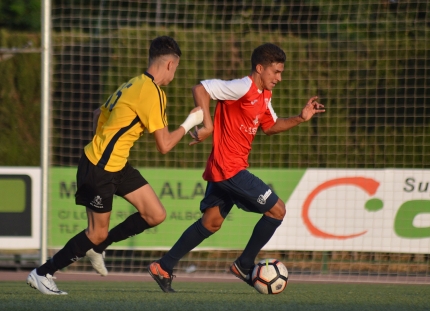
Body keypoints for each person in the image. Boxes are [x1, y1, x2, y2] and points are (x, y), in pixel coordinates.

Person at [26, 36, 204, 295]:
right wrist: (189, 123)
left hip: (114, 164)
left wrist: (102, 145)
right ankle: (43, 273)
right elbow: (164, 145)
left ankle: (98, 247)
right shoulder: (153, 92)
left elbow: (98, 114)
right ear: (169, 65)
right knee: (95, 232)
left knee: (155, 214)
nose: (174, 74)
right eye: (176, 68)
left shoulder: (133, 83)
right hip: (100, 168)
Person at [147, 43, 325, 292]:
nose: (279, 78)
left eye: (281, 72)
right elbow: (200, 88)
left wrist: (300, 117)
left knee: (210, 223)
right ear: (260, 68)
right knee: (277, 211)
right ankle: (244, 264)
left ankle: (164, 266)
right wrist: (208, 124)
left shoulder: (264, 96)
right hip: (229, 168)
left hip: (227, 169)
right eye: (275, 72)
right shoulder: (243, 87)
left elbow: (270, 127)